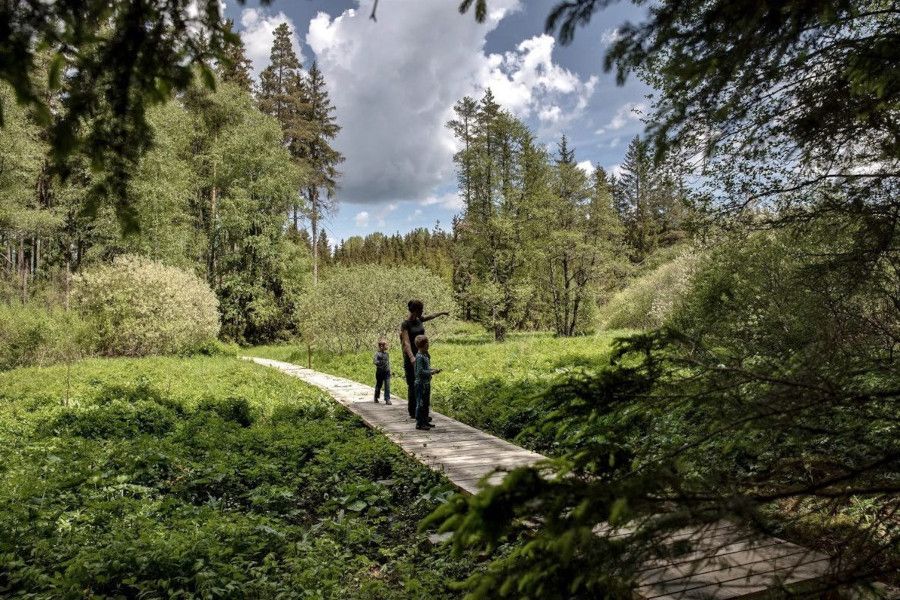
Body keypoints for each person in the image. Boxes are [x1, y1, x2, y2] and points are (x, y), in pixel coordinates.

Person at [399, 300, 449, 419]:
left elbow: (430, 316)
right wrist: (412, 357)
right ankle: (413, 412)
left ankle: (422, 412)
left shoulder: (419, 320)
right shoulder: (405, 324)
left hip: (423, 355)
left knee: (424, 383)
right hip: (412, 357)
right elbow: (406, 342)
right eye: (421, 310)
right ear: (415, 310)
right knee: (413, 384)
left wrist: (442, 312)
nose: (423, 312)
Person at [414, 335, 440, 430]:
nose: (428, 345)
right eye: (427, 343)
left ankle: (425, 421)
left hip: (426, 383)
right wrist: (432, 372)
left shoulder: (425, 355)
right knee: (420, 403)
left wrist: (433, 370)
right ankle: (419, 423)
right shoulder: (419, 357)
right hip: (420, 384)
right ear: (423, 345)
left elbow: (426, 369)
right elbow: (420, 372)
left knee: (426, 403)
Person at [373, 339, 391, 405]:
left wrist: (389, 369)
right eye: (386, 345)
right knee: (379, 385)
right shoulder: (377, 354)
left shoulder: (387, 354)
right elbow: (375, 361)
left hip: (387, 372)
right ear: (381, 346)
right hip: (380, 373)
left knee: (387, 385)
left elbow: (388, 362)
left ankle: (387, 399)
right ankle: (376, 397)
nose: (387, 346)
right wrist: (380, 363)